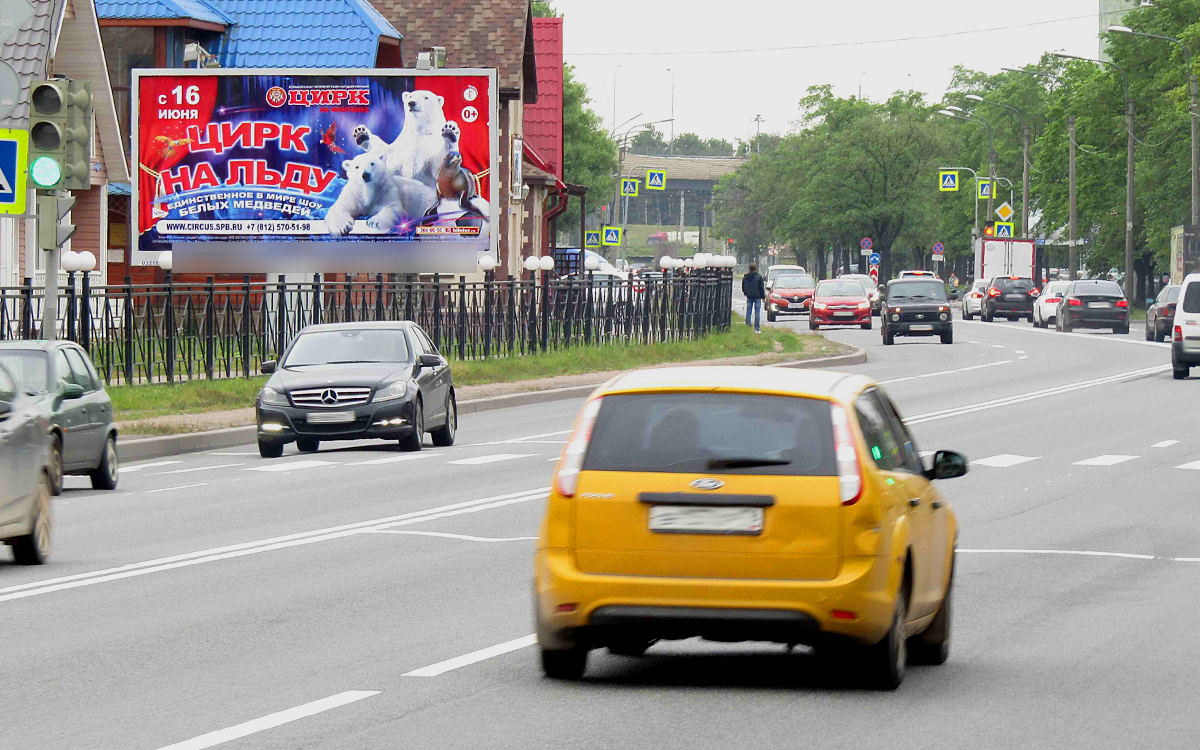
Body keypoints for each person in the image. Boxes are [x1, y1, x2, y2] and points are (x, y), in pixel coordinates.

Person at [741, 263, 766, 333]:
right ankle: (757, 328)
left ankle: (748, 327)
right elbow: (761, 288)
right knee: (757, 312)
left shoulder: (745, 277)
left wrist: (746, 293)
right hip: (757, 297)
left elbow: (743, 286)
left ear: (749, 268)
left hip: (749, 296)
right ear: (755, 268)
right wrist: (763, 297)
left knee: (748, 312)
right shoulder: (758, 277)